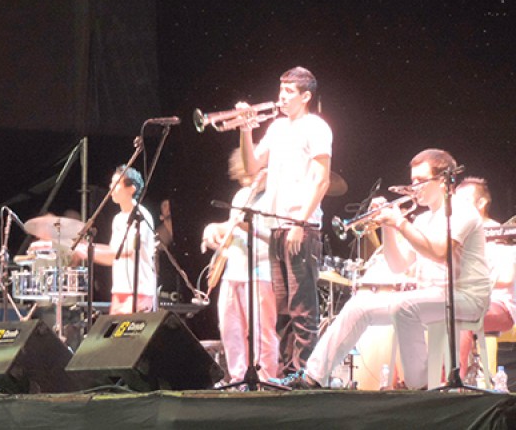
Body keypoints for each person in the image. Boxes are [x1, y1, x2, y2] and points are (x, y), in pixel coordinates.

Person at [290, 148, 490, 389]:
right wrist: (388, 226)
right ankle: (313, 377)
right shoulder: (423, 220)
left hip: (467, 297)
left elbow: (440, 253)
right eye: (412, 180)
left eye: (420, 180)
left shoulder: (461, 210)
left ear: (442, 181)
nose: (413, 187)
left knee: (404, 307)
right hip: (433, 296)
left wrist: (400, 222)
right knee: (359, 306)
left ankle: (420, 387)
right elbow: (398, 265)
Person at [239, 66, 332, 376]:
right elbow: (252, 166)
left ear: (305, 97)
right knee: (283, 307)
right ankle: (285, 372)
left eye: (289, 92)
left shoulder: (316, 127)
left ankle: (306, 373)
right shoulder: (277, 128)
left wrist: (299, 222)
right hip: (277, 226)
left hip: (300, 226)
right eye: (281, 90)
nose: (281, 97)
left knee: (303, 307)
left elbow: (322, 180)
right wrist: (245, 130)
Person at [201, 149, 278, 383]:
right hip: (233, 272)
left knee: (262, 335)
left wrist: (249, 227)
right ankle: (238, 381)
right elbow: (232, 225)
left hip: (261, 273)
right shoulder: (241, 195)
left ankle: (265, 381)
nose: (248, 179)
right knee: (231, 331)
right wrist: (213, 228)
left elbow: (277, 238)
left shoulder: (275, 196)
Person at [454, 177, 516, 381]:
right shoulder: (458, 236)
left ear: (481, 203)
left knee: (459, 315)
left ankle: (455, 382)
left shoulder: (501, 235)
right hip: (464, 300)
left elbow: (506, 278)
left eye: (464, 201)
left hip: (499, 306)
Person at [79, 166, 156, 314]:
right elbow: (112, 255)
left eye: (116, 184)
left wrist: (89, 251)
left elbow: (124, 252)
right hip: (119, 290)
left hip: (139, 291)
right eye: (111, 183)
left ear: (131, 189)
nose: (111, 188)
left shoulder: (141, 216)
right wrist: (87, 248)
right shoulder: (118, 219)